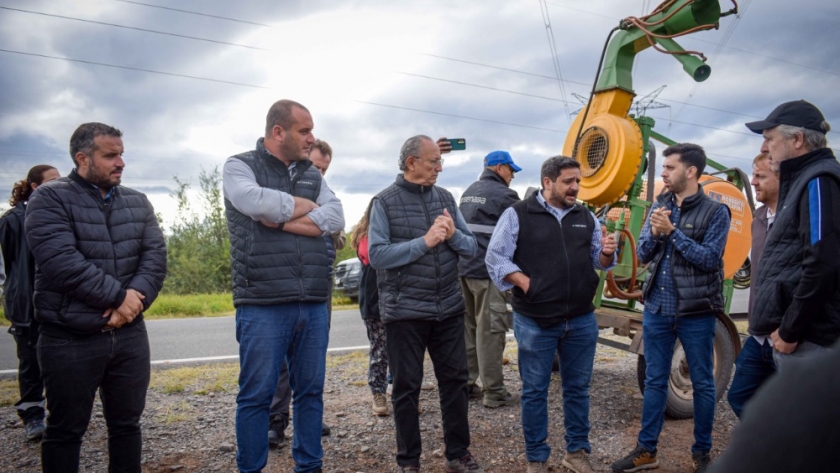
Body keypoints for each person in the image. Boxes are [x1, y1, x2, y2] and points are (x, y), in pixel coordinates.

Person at [25, 123, 167, 473]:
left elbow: (155, 257)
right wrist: (120, 298)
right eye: (110, 155)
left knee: (127, 426)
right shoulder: (49, 198)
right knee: (65, 431)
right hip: (69, 338)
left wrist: (134, 301)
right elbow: (61, 262)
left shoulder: (138, 201)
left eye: (121, 154)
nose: (120, 162)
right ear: (82, 157)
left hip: (130, 336)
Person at [223, 99, 344, 473]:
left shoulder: (312, 172)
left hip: (312, 299)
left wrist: (280, 219)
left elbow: (336, 215)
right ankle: (251, 468)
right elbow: (253, 202)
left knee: (310, 392)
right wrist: (308, 209)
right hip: (262, 300)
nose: (311, 138)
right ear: (279, 132)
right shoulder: (240, 166)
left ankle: (310, 466)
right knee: (257, 396)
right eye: (304, 131)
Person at [486, 156, 616, 473]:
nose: (575, 188)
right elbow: (496, 258)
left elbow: (598, 261)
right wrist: (528, 283)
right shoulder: (517, 214)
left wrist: (607, 253)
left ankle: (576, 453)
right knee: (534, 391)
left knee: (577, 389)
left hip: (581, 320)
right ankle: (537, 458)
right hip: (536, 320)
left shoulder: (585, 216)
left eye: (578, 182)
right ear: (548, 182)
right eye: (568, 181)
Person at [611, 143, 730, 473]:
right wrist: (652, 232)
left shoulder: (715, 211)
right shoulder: (660, 207)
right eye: (662, 168)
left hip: (695, 313)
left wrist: (673, 233)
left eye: (669, 168)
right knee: (654, 379)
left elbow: (709, 260)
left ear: (691, 172)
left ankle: (702, 452)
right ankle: (646, 451)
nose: (662, 173)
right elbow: (646, 254)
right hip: (657, 310)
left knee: (703, 383)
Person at [369, 135, 483, 473]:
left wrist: (451, 236)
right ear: (411, 163)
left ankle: (458, 453)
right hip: (404, 312)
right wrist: (426, 241)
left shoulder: (445, 197)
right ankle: (409, 461)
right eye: (433, 161)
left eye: (439, 161)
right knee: (406, 387)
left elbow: (471, 247)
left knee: (456, 381)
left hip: (447, 307)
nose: (439, 167)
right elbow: (377, 255)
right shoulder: (384, 202)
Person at [744, 100, 840, 370]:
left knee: (809, 413)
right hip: (800, 337)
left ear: (797, 139)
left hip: (810, 341)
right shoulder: (802, 180)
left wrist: (790, 330)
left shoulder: (819, 180)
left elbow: (823, 264)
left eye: (769, 139)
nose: (764, 148)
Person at [267, 138, 342, 448]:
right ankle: (276, 420)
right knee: (282, 357)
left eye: (324, 169)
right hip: (285, 280)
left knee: (312, 355)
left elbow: (335, 230)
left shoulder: (326, 196)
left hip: (319, 283)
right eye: (315, 167)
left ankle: (308, 417)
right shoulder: (281, 193)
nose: (320, 174)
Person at [707, 338, 840, 473]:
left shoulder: (825, 376)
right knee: (738, 395)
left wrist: (788, 333)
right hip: (762, 337)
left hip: (794, 341)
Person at [0, 165, 60, 442]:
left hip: (58, 305)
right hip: (26, 304)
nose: (60, 185)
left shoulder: (59, 215)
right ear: (35, 187)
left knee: (61, 362)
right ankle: (33, 416)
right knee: (30, 363)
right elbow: (7, 264)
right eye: (53, 181)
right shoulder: (12, 220)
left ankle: (61, 413)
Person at [457, 150, 522, 408]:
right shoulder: (506, 196)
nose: (513, 175)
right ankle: (494, 392)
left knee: (468, 330)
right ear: (498, 168)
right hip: (488, 273)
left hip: (462, 270)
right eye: (511, 170)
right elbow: (519, 234)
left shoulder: (469, 191)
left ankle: (467, 384)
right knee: (491, 332)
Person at [725, 153, 779, 418]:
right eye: (753, 176)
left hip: (786, 337)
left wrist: (791, 329)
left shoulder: (794, 219)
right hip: (759, 334)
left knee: (795, 408)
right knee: (739, 396)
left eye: (761, 176)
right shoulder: (758, 218)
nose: (754, 182)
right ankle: (768, 448)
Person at [350, 200, 390, 416]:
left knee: (401, 349)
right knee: (379, 349)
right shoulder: (365, 235)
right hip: (374, 299)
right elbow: (375, 257)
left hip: (395, 297)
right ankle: (378, 392)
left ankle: (403, 392)